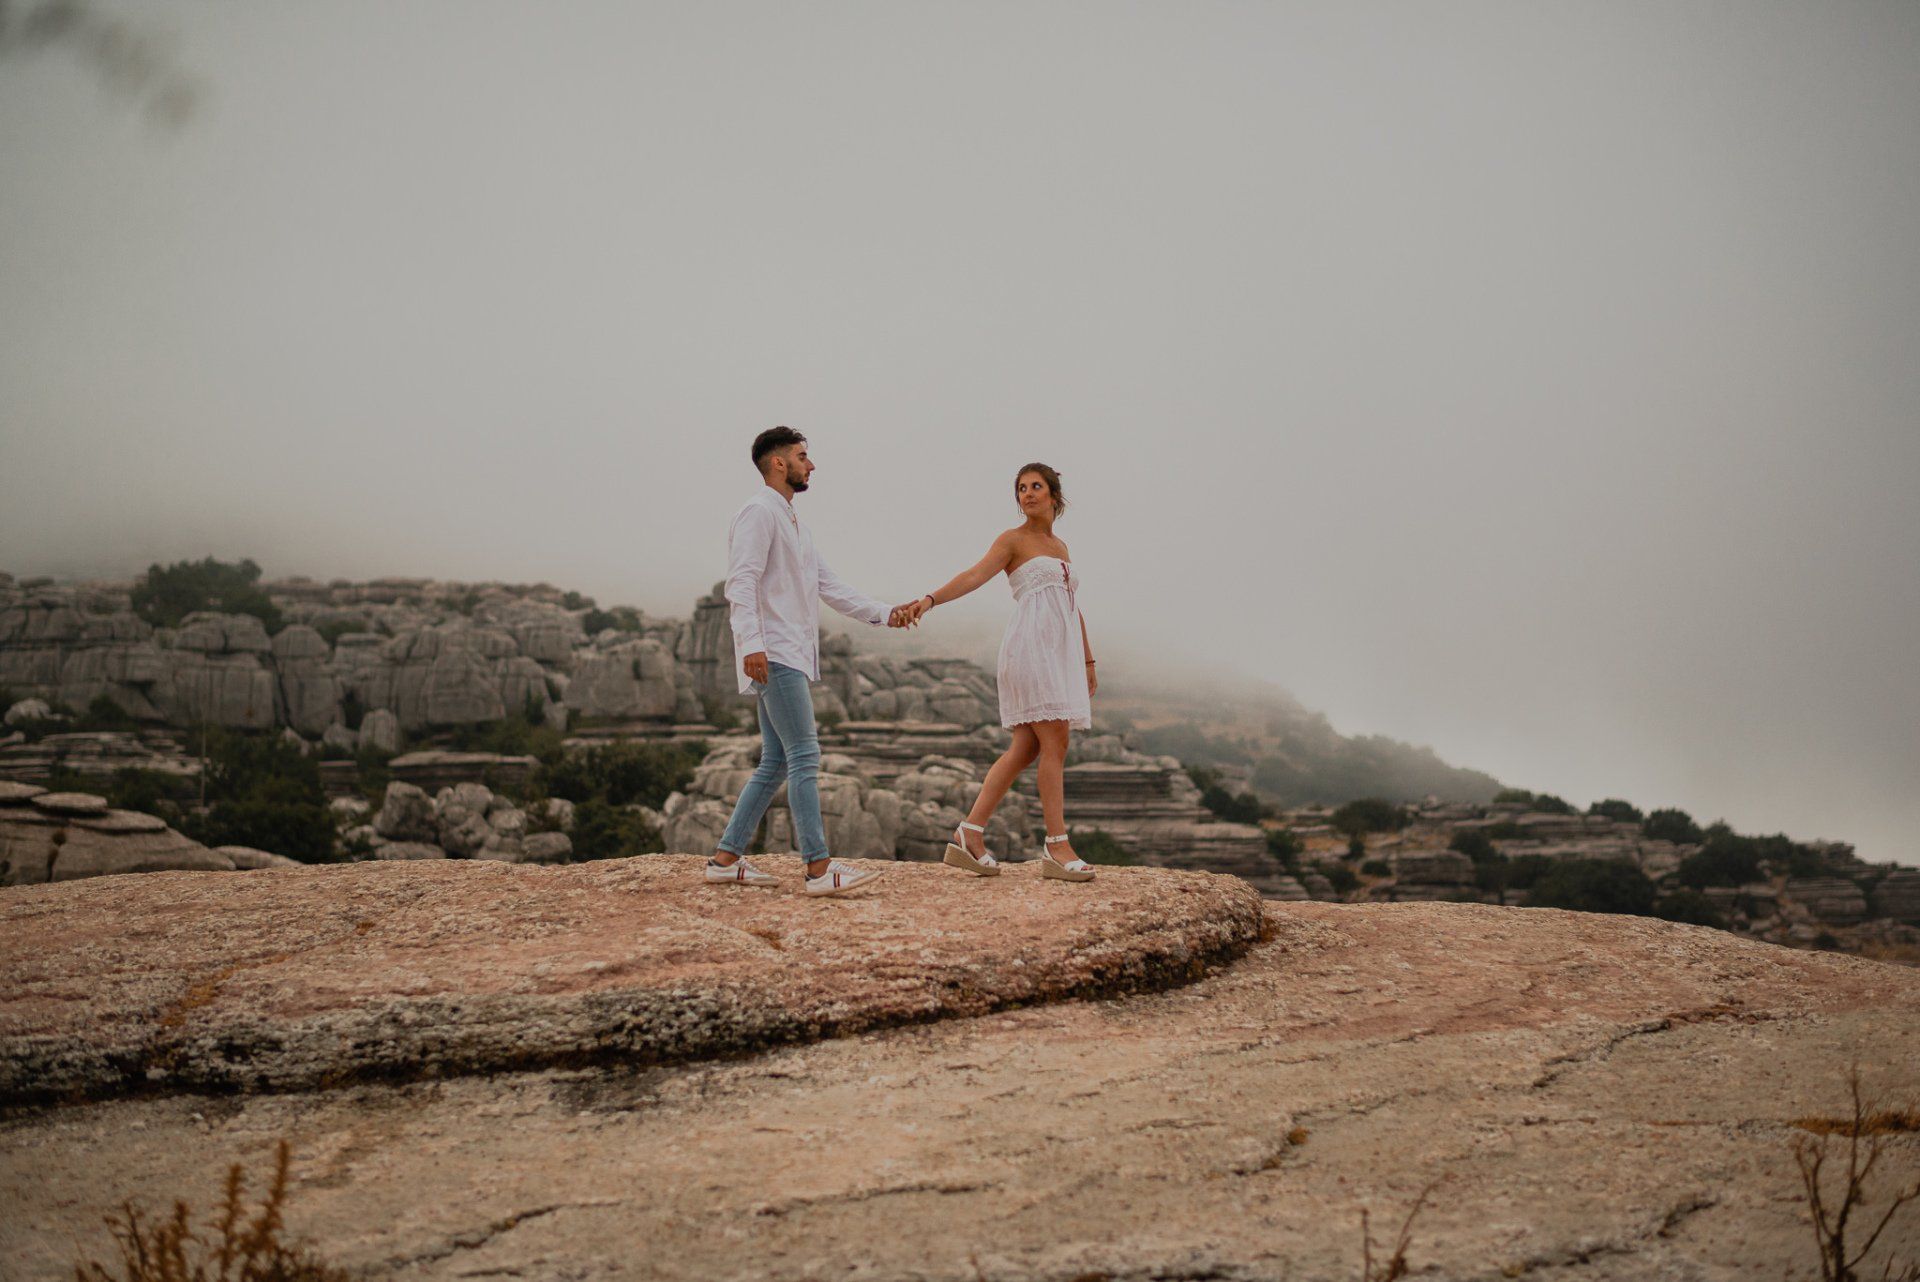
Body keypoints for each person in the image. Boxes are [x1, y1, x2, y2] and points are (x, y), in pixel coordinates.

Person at [705, 427, 921, 897]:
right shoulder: (759, 513)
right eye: (803, 456)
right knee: (804, 755)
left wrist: (888, 614)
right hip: (774, 652)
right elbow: (740, 582)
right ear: (778, 463)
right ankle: (818, 870)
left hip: (787, 653)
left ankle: (725, 859)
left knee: (776, 762)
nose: (812, 464)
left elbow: (831, 586)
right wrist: (752, 645)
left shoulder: (794, 522)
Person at [899, 463, 1098, 882]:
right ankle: (1057, 845)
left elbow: (1070, 607)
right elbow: (974, 574)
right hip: (1030, 650)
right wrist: (931, 599)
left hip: (1058, 654)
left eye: (1036, 487)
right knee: (1055, 741)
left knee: (1026, 748)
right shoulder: (1013, 540)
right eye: (1021, 488)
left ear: (1054, 495)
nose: (1027, 494)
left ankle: (969, 832)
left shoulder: (1061, 547)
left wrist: (1087, 660)